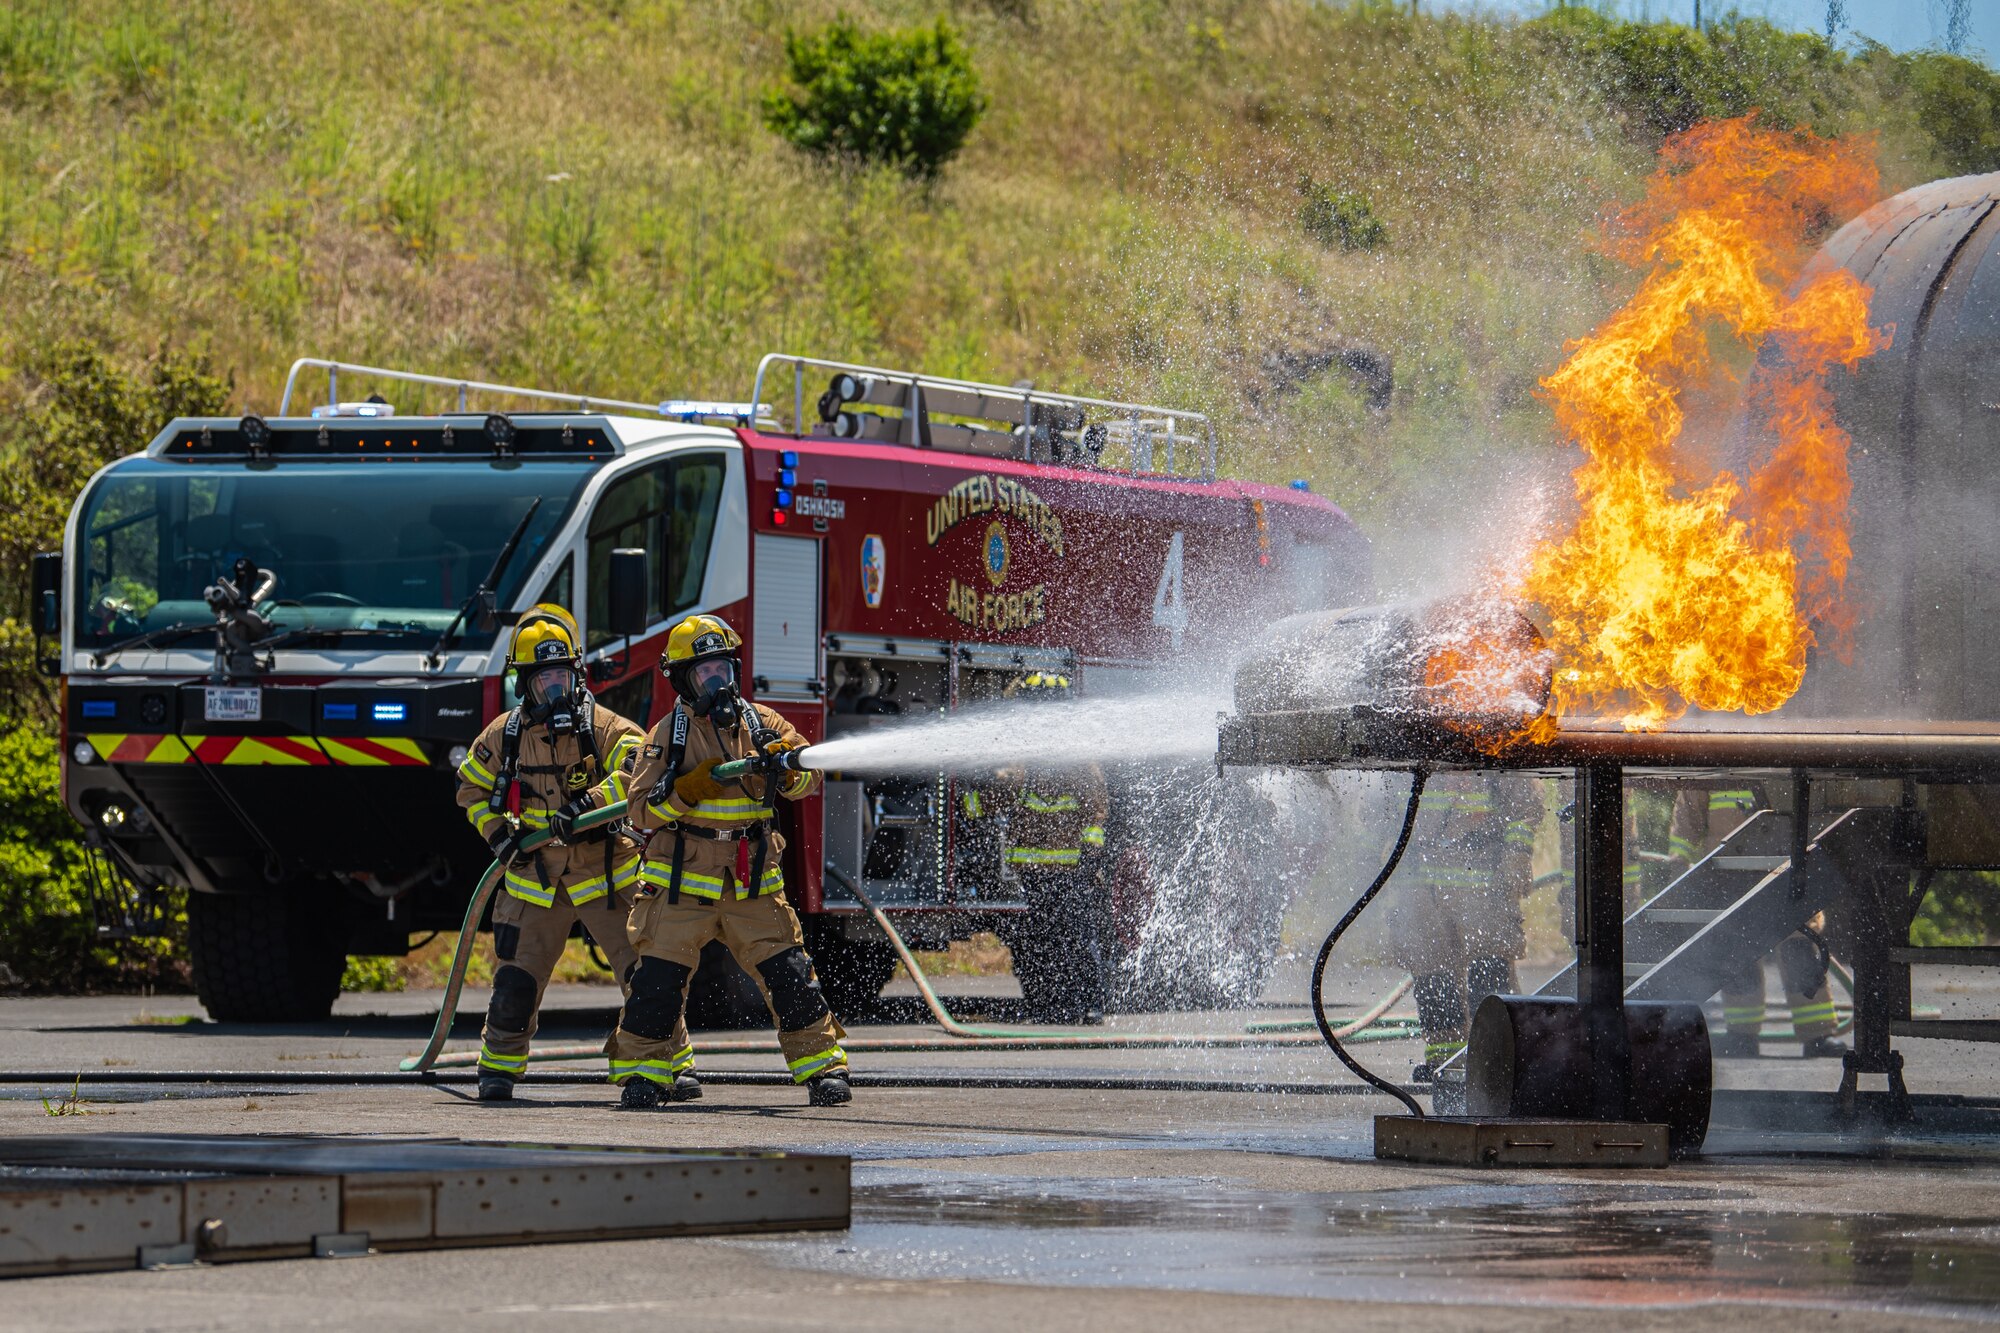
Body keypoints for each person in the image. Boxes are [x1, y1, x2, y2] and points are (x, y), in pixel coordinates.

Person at [586, 613, 852, 1108]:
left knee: (790, 975)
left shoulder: (761, 722)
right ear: (683, 679)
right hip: (680, 883)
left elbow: (807, 779)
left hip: (750, 884)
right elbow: (641, 808)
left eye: (723, 669)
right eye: (705, 673)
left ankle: (822, 1068)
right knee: (657, 986)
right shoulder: (668, 735)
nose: (718, 681)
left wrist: (786, 765)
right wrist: (689, 787)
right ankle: (645, 1074)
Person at [454, 606, 696, 1102]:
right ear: (525, 685)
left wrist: (588, 804)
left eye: (563, 676)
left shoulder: (605, 727)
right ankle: (498, 1067)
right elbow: (471, 790)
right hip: (534, 881)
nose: (556, 690)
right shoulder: (505, 735)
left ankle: (667, 1063)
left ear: (579, 675)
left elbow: (638, 771)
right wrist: (500, 837)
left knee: (645, 975)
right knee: (516, 981)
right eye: (545, 681)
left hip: (609, 876)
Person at [960, 672, 1112, 1024]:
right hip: (1040, 869)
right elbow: (1005, 791)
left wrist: (1089, 855)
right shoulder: (1034, 754)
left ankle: (1083, 1006)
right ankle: (1049, 1006)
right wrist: (971, 804)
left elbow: (1096, 805)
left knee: (1068, 937)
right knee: (1042, 940)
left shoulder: (1072, 756)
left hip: (1066, 869)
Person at [1382, 772, 1541, 1083]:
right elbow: (1387, 808)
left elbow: (1524, 807)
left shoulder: (1491, 742)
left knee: (1489, 973)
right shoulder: (1419, 745)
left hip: (1483, 884)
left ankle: (1495, 1060)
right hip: (1422, 887)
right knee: (1432, 978)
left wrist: (1518, 854)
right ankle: (1445, 1063)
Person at [1667, 782, 1845, 1059]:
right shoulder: (1711, 771)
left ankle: (1818, 1035)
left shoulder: (1776, 759)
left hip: (1785, 872)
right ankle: (1742, 1034)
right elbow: (1687, 821)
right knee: (1737, 959)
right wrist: (1680, 861)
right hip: (1728, 878)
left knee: (1799, 950)